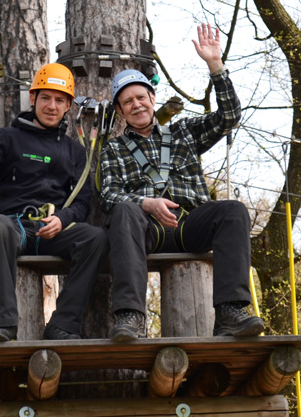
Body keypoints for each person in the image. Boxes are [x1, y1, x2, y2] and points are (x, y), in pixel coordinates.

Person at [100, 23, 264, 342]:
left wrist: (215, 66)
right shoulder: (114, 148)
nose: (136, 105)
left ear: (152, 98)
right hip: (145, 229)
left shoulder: (183, 133)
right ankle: (130, 317)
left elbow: (229, 117)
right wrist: (146, 203)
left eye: (140, 97)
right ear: (120, 110)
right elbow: (108, 194)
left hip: (190, 225)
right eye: (128, 102)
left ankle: (231, 311)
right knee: (122, 211)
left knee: (233, 211)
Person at [0, 63, 108, 342]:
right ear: (33, 98)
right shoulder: (8, 138)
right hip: (11, 227)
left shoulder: (74, 151)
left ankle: (63, 325)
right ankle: (4, 324)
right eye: (45, 97)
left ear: (68, 106)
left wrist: (62, 219)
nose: (52, 105)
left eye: (60, 100)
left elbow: (82, 203)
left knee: (95, 238)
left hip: (51, 231)